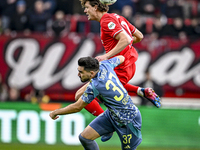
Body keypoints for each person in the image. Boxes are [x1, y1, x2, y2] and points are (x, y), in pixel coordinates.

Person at [77, 0, 161, 141]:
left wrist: (106, 55)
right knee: (109, 88)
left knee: (80, 95)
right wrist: (122, 45)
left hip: (121, 67)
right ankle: (142, 91)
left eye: (86, 7)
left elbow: (126, 38)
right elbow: (139, 36)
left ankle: (107, 127)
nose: (85, 11)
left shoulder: (106, 21)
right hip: (127, 65)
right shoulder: (117, 17)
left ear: (95, 7)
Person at [50, 56, 143, 150]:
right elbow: (122, 57)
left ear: (91, 73)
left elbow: (77, 107)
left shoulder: (95, 86)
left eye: (81, 72)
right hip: (112, 115)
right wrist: (105, 57)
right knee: (85, 138)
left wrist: (55, 112)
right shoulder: (105, 64)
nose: (78, 74)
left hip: (128, 120)